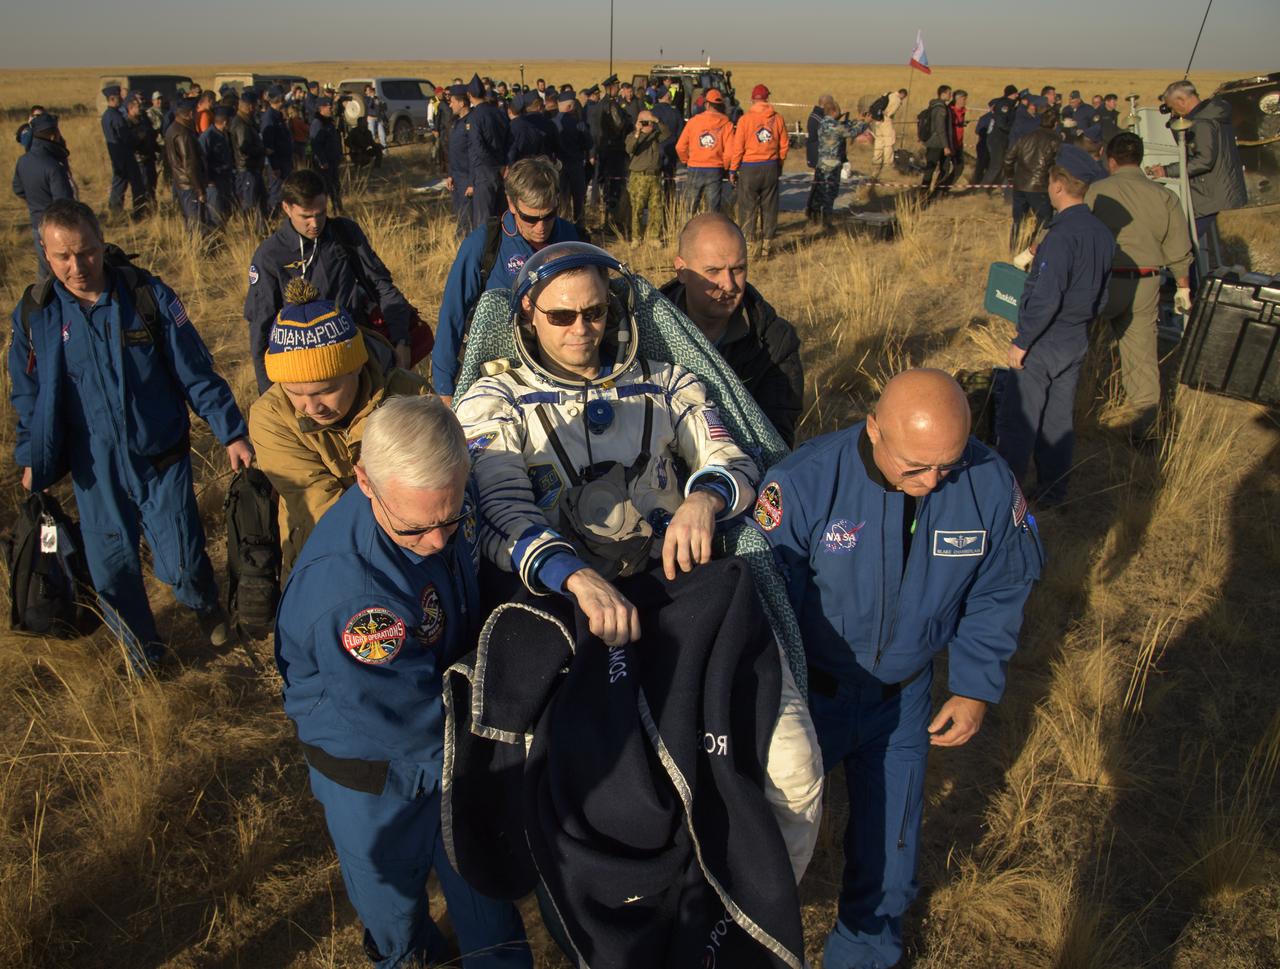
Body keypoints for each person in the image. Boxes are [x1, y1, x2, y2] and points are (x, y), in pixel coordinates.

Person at [453, 241, 823, 879]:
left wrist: (705, 500)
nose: (582, 330)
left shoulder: (667, 381)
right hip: (570, 609)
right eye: (561, 316)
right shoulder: (495, 400)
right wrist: (574, 576)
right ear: (527, 317)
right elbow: (499, 513)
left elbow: (735, 460)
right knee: (606, 798)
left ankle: (761, 905)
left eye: (594, 312)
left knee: (795, 768)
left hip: (684, 591)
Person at [753, 368, 1043, 969]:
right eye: (915, 466)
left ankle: (864, 952)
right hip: (809, 696)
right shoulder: (805, 483)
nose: (932, 481)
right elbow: (764, 606)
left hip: (903, 701)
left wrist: (974, 686)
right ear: (874, 429)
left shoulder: (988, 481)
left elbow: (1002, 586)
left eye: (947, 465)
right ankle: (745, 944)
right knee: (766, 837)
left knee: (890, 853)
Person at [274, 395, 533, 969]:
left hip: (452, 732)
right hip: (373, 771)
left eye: (451, 516)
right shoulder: (356, 601)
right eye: (415, 528)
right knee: (394, 911)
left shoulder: (429, 499)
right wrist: (502, 741)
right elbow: (403, 719)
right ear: (365, 482)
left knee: (487, 902)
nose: (438, 540)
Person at [9, 200, 252, 671]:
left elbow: (196, 372)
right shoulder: (36, 317)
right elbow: (29, 396)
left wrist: (231, 433)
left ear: (101, 243)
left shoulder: (146, 297)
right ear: (45, 252)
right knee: (113, 573)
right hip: (93, 469)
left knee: (181, 560)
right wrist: (31, 457)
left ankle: (203, 603)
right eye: (62, 257)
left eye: (86, 252)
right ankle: (145, 658)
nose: (77, 266)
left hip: (159, 457)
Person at [249, 280, 431, 575]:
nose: (311, 407)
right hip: (325, 560)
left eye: (326, 390)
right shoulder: (270, 418)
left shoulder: (412, 397)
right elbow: (321, 505)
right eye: (294, 392)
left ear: (356, 366)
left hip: (416, 554)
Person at [996, 153, 1114, 505]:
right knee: (1058, 421)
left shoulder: (1061, 236)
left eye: (1049, 182)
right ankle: (1052, 492)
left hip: (1044, 340)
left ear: (1058, 186)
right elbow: (1104, 295)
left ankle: (1006, 499)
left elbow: (1047, 296)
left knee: (1020, 420)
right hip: (1076, 337)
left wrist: (1023, 341)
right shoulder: (1103, 233)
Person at [245, 169, 414, 393]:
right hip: (303, 367)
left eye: (321, 213)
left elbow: (381, 286)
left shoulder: (344, 234)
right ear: (287, 207)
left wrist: (402, 341)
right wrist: (268, 391)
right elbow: (261, 326)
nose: (315, 223)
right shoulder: (270, 255)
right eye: (306, 216)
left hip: (355, 352)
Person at [433, 157, 578, 403]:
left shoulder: (571, 237)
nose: (541, 227)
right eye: (530, 218)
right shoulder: (484, 244)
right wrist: (444, 389)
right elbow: (452, 314)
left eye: (549, 215)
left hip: (560, 364)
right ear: (511, 203)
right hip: (502, 369)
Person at [661, 213, 804, 446]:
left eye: (738, 269)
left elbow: (777, 437)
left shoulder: (775, 341)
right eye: (713, 271)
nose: (728, 284)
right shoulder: (643, 330)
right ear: (682, 271)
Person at [1085, 133, 1193, 438]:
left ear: (1111, 161)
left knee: (1080, 342)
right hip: (1146, 282)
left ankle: (1082, 407)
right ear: (1140, 159)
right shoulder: (1164, 196)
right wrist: (1183, 287)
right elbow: (1178, 247)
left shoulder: (1097, 191)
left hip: (1102, 281)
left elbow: (1077, 232)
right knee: (1142, 357)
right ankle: (1146, 429)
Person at [1145, 80, 1247, 270]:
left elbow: (1203, 161)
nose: (1172, 110)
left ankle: (1187, 282)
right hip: (1218, 188)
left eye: (1172, 106)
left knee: (1184, 244)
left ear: (1181, 101)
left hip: (1209, 193)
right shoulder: (1213, 114)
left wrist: (1166, 171)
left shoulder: (1202, 122)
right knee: (1188, 241)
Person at [12, 113, 75, 282]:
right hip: (56, 229)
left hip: (36, 224)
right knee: (61, 276)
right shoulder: (53, 166)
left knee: (44, 271)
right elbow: (64, 204)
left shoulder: (23, 161)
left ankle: (38, 298)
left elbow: (18, 189)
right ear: (53, 135)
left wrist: (35, 202)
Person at [728, 84, 789, 258]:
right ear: (767, 98)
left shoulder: (745, 120)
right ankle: (766, 245)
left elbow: (738, 148)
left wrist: (733, 169)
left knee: (747, 206)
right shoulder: (777, 119)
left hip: (749, 167)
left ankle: (749, 245)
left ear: (752, 99)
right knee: (770, 206)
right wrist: (779, 164)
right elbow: (784, 145)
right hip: (770, 165)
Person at [1004, 106, 1061, 248]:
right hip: (1040, 187)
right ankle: (1035, 247)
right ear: (1055, 124)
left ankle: (1015, 248)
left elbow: (1008, 160)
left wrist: (1011, 178)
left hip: (1020, 185)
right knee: (1045, 220)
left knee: (1019, 221)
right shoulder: (1055, 140)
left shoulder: (1025, 137)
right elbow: (1060, 165)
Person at [809, 98, 868, 226]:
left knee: (819, 192)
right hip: (832, 166)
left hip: (821, 164)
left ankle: (814, 219)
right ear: (834, 111)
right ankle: (826, 221)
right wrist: (864, 123)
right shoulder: (835, 126)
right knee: (829, 194)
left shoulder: (823, 123)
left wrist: (856, 120)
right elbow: (851, 132)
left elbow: (843, 126)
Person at [676, 88, 733, 214]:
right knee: (713, 210)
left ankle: (688, 226)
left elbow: (680, 147)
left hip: (695, 168)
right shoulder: (727, 125)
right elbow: (729, 153)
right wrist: (724, 166)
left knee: (690, 208)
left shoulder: (693, 122)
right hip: (715, 169)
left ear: (706, 104)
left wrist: (686, 161)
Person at [466, 74, 510, 228]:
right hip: (502, 170)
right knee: (503, 216)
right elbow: (509, 140)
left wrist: (494, 166)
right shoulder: (499, 113)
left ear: (469, 95)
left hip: (485, 171)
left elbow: (478, 147)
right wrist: (504, 164)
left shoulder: (475, 117)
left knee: (484, 220)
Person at [624, 108, 670, 243]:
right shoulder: (632, 136)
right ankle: (636, 238)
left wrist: (657, 120)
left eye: (650, 122)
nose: (649, 125)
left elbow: (667, 133)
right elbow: (629, 148)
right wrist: (638, 132)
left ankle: (653, 237)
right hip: (639, 177)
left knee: (656, 208)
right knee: (637, 208)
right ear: (638, 122)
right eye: (645, 122)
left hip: (654, 176)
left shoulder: (656, 135)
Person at [101, 84, 146, 219]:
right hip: (125, 155)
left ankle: (115, 213)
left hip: (116, 155)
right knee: (137, 184)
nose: (121, 99)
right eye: (119, 97)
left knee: (118, 184)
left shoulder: (106, 115)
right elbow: (125, 137)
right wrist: (138, 138)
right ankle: (139, 213)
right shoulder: (116, 117)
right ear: (112, 98)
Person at [164, 97, 208, 231]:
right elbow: (189, 164)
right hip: (189, 184)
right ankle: (197, 243)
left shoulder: (172, 128)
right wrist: (199, 189)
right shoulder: (184, 134)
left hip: (181, 182)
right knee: (196, 222)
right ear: (190, 114)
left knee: (189, 220)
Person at [592, 75, 631, 220]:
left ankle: (606, 217)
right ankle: (613, 219)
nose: (619, 89)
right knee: (614, 185)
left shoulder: (600, 104)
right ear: (611, 88)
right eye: (617, 86)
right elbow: (619, 125)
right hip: (614, 150)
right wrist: (628, 120)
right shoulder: (611, 105)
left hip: (603, 149)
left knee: (606, 185)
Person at [553, 90, 591, 234]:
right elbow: (588, 143)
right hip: (575, 165)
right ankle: (579, 229)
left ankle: (562, 228)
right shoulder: (578, 124)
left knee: (561, 199)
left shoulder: (553, 123)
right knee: (578, 199)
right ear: (570, 106)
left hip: (559, 167)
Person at [230, 89, 268, 231]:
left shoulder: (246, 121)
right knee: (249, 203)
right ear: (250, 106)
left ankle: (260, 229)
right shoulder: (241, 124)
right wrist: (262, 150)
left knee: (259, 201)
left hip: (252, 168)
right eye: (255, 105)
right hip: (246, 169)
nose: (256, 108)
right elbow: (243, 148)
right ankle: (250, 232)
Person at [444, 84, 473, 237]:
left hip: (467, 178)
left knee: (466, 218)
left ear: (461, 103)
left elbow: (475, 155)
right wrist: (450, 174)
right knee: (460, 212)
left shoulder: (472, 123)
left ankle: (460, 242)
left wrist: (472, 182)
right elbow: (453, 152)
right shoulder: (455, 123)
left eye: (452, 101)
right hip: (457, 177)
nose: (450, 105)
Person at [199, 105, 236, 227]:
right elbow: (202, 161)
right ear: (225, 122)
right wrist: (208, 180)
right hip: (214, 182)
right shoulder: (207, 137)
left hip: (225, 179)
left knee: (226, 211)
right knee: (216, 214)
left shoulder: (225, 134)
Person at [261, 88, 293, 214]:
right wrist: (275, 166)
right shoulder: (269, 118)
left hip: (285, 160)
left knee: (284, 191)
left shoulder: (277, 115)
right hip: (278, 162)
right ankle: (272, 217)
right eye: (282, 99)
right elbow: (269, 145)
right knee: (276, 192)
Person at [919, 84, 955, 200]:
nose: (950, 95)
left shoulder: (934, 105)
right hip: (937, 144)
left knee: (936, 168)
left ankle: (930, 193)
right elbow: (941, 129)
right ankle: (926, 194)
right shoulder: (940, 109)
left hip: (933, 142)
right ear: (942, 94)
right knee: (934, 168)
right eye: (949, 93)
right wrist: (946, 146)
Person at [309, 97, 343, 213]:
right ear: (321, 108)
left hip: (332, 160)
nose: (330, 108)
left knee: (335, 186)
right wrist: (322, 161)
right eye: (327, 106)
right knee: (325, 188)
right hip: (325, 163)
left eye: (330, 106)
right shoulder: (317, 123)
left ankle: (337, 208)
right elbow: (316, 145)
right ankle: (322, 211)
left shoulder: (329, 122)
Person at [982, 84, 1020, 185]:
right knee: (996, 165)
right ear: (1012, 94)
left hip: (1001, 138)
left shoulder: (1007, 103)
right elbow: (1001, 123)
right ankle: (982, 189)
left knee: (1002, 164)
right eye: (1016, 94)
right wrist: (1012, 130)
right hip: (997, 138)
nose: (1017, 96)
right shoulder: (1005, 105)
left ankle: (994, 186)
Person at [125, 96, 159, 208]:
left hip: (149, 157)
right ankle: (141, 210)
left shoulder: (142, 120)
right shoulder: (127, 123)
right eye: (138, 106)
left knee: (151, 185)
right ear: (130, 108)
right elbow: (129, 143)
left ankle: (151, 207)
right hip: (139, 161)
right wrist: (140, 137)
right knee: (142, 187)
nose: (140, 108)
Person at [871, 88, 907, 182]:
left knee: (879, 140)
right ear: (903, 95)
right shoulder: (897, 100)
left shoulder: (889, 94)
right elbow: (890, 113)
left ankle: (876, 160)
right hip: (886, 121)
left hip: (878, 120)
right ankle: (888, 163)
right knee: (889, 142)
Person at [939, 89, 968, 188]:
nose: (965, 101)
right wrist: (946, 146)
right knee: (945, 170)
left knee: (959, 168)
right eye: (964, 99)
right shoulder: (949, 111)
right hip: (948, 144)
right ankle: (936, 192)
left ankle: (945, 189)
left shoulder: (962, 111)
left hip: (958, 144)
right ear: (957, 99)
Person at [363, 83, 388, 149]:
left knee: (382, 134)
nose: (370, 91)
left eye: (370, 90)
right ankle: (371, 150)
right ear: (365, 92)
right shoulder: (366, 98)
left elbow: (381, 108)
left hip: (378, 118)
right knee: (372, 135)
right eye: (368, 90)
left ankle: (384, 149)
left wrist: (382, 103)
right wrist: (372, 98)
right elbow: (369, 106)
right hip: (371, 119)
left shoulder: (376, 98)